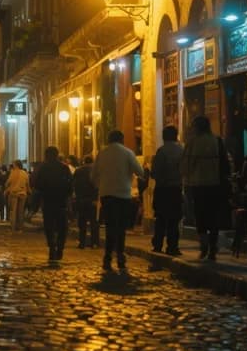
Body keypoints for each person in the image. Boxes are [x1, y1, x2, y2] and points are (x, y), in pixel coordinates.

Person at [92, 130, 146, 272]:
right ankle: (120, 255)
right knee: (121, 227)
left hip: (107, 195)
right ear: (122, 140)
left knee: (110, 226)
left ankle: (108, 256)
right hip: (123, 195)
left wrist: (101, 185)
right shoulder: (128, 153)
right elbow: (140, 171)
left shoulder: (101, 153)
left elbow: (93, 176)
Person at [181, 116, 230, 262]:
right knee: (213, 216)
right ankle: (213, 247)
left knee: (200, 216)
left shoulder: (193, 143)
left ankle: (204, 246)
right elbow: (225, 165)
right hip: (215, 184)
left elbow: (186, 165)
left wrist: (185, 180)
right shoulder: (217, 141)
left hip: (198, 185)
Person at [32, 147, 72, 262]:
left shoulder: (43, 168)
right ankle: (60, 247)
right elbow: (70, 184)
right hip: (61, 201)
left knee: (49, 227)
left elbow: (38, 185)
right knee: (62, 227)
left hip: (48, 201)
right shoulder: (64, 168)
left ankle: (52, 247)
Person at [150, 126, 184, 256]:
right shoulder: (181, 150)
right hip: (176, 189)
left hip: (162, 189)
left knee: (160, 218)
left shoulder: (162, 151)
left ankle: (158, 245)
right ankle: (173, 246)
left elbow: (155, 173)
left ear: (164, 137)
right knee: (174, 220)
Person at [72, 156, 99, 248]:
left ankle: (82, 243)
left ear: (84, 162)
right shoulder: (96, 171)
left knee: (82, 222)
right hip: (93, 200)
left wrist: (76, 196)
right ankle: (94, 243)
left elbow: (74, 184)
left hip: (81, 199)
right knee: (94, 222)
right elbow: (98, 185)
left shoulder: (78, 171)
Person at [4, 160, 30, 233]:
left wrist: (6, 188)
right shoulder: (25, 173)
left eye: (13, 164)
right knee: (21, 212)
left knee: (13, 211)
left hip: (14, 194)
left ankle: (13, 228)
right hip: (23, 194)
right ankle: (20, 228)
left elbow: (7, 183)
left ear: (16, 165)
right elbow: (28, 184)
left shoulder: (13, 173)